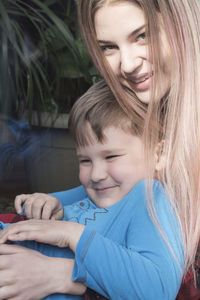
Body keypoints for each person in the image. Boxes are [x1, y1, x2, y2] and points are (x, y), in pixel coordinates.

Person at [0, 0, 199, 298]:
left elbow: (159, 286)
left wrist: (66, 276)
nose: (128, 64)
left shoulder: (156, 200)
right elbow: (109, 192)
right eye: (108, 47)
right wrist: (48, 202)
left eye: (142, 35)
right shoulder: (141, 112)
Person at [0, 80, 183, 300]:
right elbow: (57, 203)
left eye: (111, 156)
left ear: (158, 155)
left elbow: (158, 291)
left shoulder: (151, 196)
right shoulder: (101, 191)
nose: (96, 175)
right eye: (85, 160)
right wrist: (45, 202)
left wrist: (71, 234)